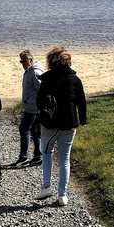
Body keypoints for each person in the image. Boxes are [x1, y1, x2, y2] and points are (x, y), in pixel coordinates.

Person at [35, 46, 87, 206]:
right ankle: (62, 195)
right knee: (64, 159)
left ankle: (46, 187)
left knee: (47, 153)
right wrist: (83, 120)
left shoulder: (47, 79)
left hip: (50, 124)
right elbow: (81, 102)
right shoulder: (75, 79)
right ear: (68, 61)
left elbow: (39, 102)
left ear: (51, 61)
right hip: (69, 123)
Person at [11, 50, 44, 167]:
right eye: (21, 61)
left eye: (24, 61)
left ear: (31, 60)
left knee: (24, 129)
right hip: (33, 106)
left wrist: (36, 103)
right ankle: (38, 157)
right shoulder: (30, 71)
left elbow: (42, 89)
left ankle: (24, 158)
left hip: (33, 107)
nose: (23, 64)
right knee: (35, 131)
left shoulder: (34, 72)